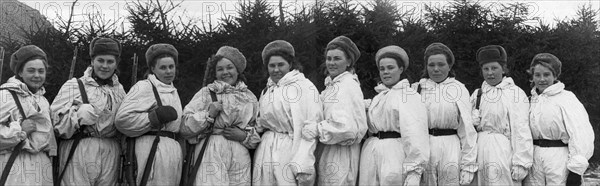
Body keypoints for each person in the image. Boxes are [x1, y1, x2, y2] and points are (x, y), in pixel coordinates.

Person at [51, 37, 126, 185]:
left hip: (110, 149)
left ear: (116, 63)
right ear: (92, 61)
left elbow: (125, 123)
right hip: (79, 148)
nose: (105, 66)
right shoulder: (74, 85)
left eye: (110, 61)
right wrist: (77, 116)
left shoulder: (119, 90)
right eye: (100, 60)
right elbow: (55, 123)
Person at [181, 46, 260, 185]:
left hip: (240, 153)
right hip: (211, 149)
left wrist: (244, 136)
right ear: (215, 73)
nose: (225, 72)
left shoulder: (249, 97)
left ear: (237, 70)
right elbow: (184, 127)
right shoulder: (206, 93)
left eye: (229, 67)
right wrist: (208, 115)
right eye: (220, 69)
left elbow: (257, 127)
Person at [252, 40, 322, 185]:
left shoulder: (304, 87)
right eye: (272, 66)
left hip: (290, 149)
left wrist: (303, 162)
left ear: (290, 64)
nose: (276, 70)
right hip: (266, 149)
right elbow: (260, 122)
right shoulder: (268, 90)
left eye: (280, 65)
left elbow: (310, 126)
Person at [301, 36, 367, 185]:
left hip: (341, 154)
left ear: (349, 61)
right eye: (329, 58)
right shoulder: (333, 85)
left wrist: (317, 129)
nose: (331, 63)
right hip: (329, 150)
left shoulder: (347, 86)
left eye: (337, 58)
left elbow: (346, 128)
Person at [359, 45, 429, 186]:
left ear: (401, 69)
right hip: (371, 152)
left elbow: (415, 134)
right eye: (382, 69)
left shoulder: (408, 96)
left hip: (395, 153)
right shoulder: (379, 97)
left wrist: (414, 171)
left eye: (390, 68)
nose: (385, 72)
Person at [115, 43, 183, 185]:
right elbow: (122, 120)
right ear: (153, 69)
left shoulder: (173, 91)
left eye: (171, 67)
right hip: (150, 148)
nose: (168, 71)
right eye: (163, 67)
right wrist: (153, 118)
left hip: (172, 152)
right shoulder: (145, 87)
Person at [524, 53, 594, 186]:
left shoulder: (566, 98)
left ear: (555, 76)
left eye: (547, 75)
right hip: (533, 158)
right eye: (537, 75)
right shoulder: (530, 100)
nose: (542, 79)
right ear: (532, 76)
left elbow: (581, 133)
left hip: (558, 158)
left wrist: (576, 170)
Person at [412, 43, 477, 185]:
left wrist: (468, 164)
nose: (436, 69)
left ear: (449, 66)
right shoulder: (417, 89)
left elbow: (466, 129)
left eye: (441, 64)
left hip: (451, 147)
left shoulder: (458, 89)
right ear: (426, 67)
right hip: (425, 146)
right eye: (431, 65)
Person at [470, 45, 532, 185]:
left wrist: (521, 162)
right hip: (479, 150)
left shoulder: (515, 93)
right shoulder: (478, 94)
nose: (490, 73)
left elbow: (521, 129)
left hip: (503, 151)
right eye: (486, 69)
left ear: (503, 69)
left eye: (494, 68)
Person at [0, 45, 56, 185]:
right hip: (13, 166)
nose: (37, 75)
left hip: (41, 168)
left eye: (41, 71)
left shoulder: (43, 101)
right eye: (31, 70)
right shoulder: (5, 96)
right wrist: (20, 131)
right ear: (20, 72)